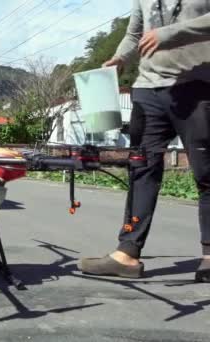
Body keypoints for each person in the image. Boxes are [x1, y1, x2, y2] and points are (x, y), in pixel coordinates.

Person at [78, 0, 210, 282]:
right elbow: (135, 34)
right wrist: (120, 57)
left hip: (199, 88)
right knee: (141, 169)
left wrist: (169, 33)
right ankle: (127, 252)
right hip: (148, 89)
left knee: (206, 173)